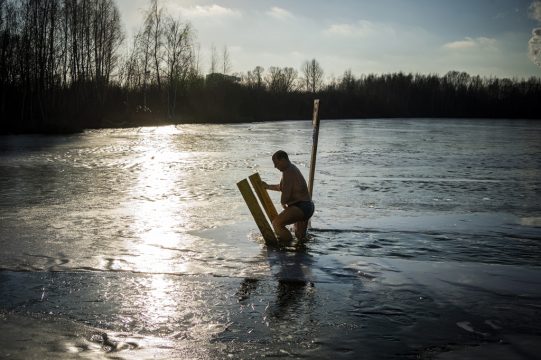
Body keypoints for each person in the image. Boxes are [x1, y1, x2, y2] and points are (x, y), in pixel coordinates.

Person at [262, 150, 315, 242]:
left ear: (283, 159)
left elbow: (285, 196)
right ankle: (300, 252)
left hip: (300, 207)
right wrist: (267, 186)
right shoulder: (292, 169)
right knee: (300, 237)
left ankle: (286, 246)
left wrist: (283, 204)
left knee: (277, 224)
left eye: (276, 163)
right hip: (308, 206)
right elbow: (281, 187)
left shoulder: (288, 172)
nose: (275, 166)